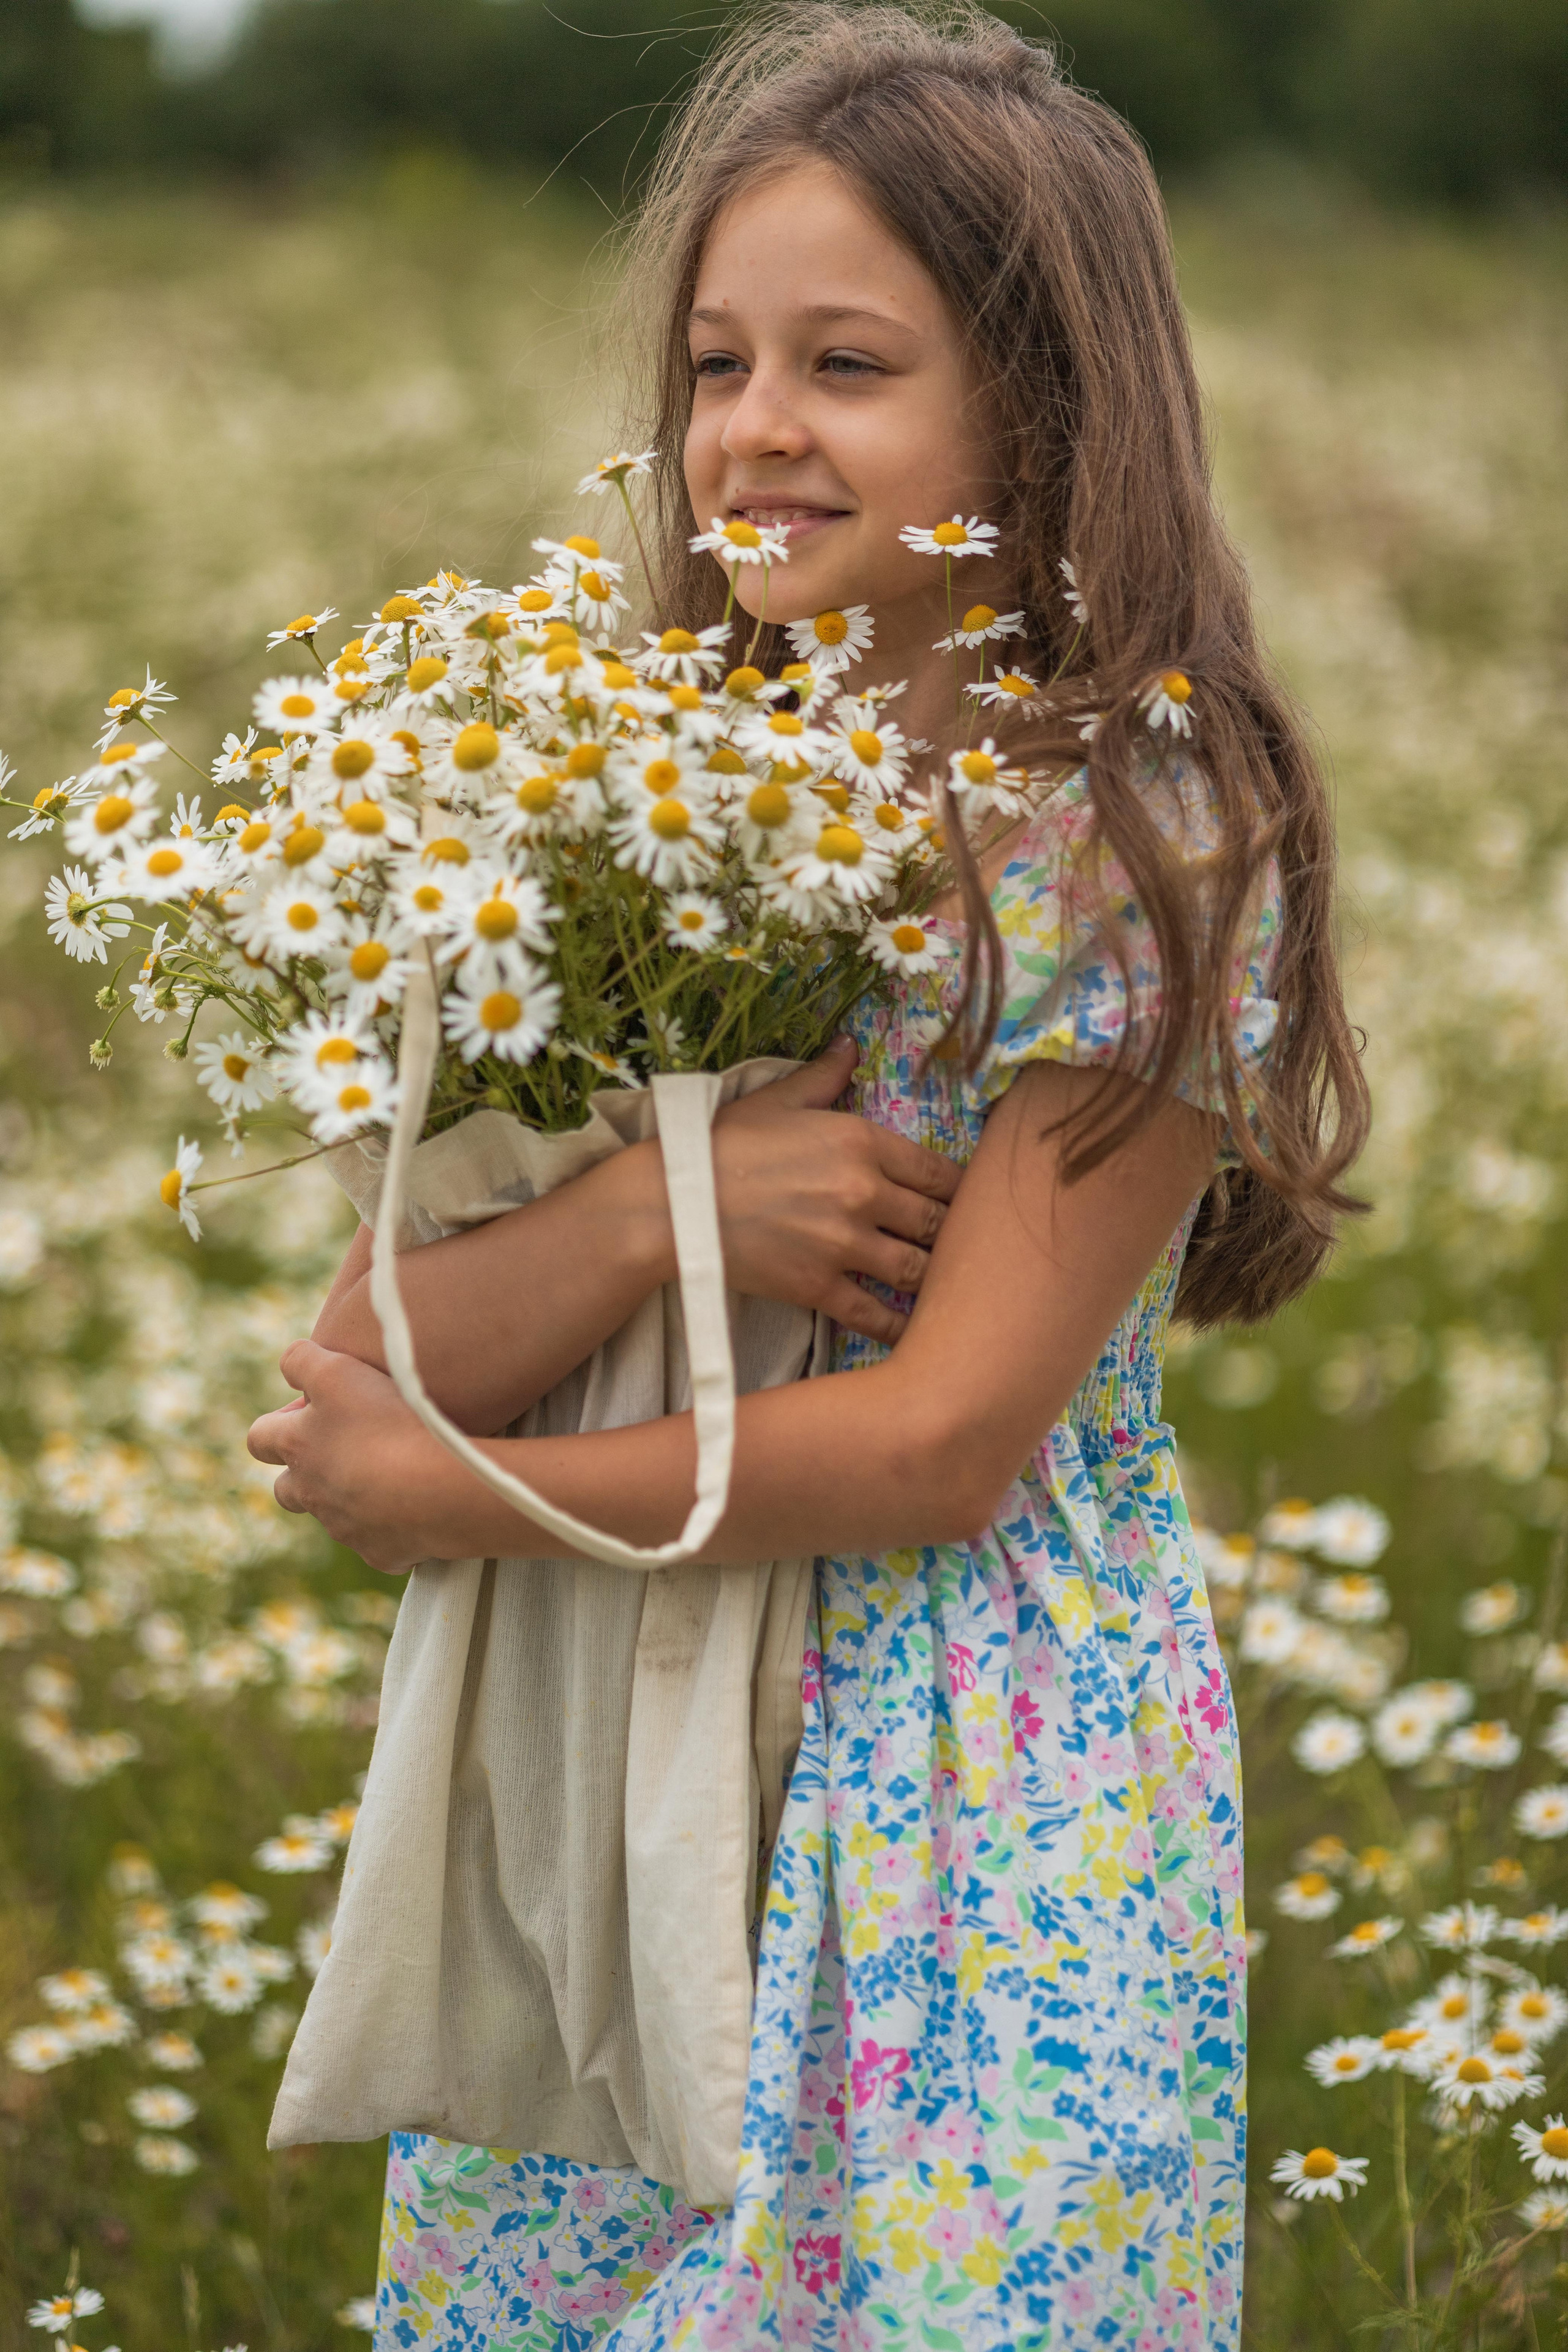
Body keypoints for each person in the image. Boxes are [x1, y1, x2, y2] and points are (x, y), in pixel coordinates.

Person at [248, 4, 1369, 2343]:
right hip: (618, 1759)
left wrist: (461, 1500)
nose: (752, 431)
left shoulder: (1135, 830)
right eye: (716, 361)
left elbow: (951, 1443)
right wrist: (678, 1207)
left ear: (1045, 408)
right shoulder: (628, 814)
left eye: (845, 364)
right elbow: (375, 1357)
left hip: (966, 1792)